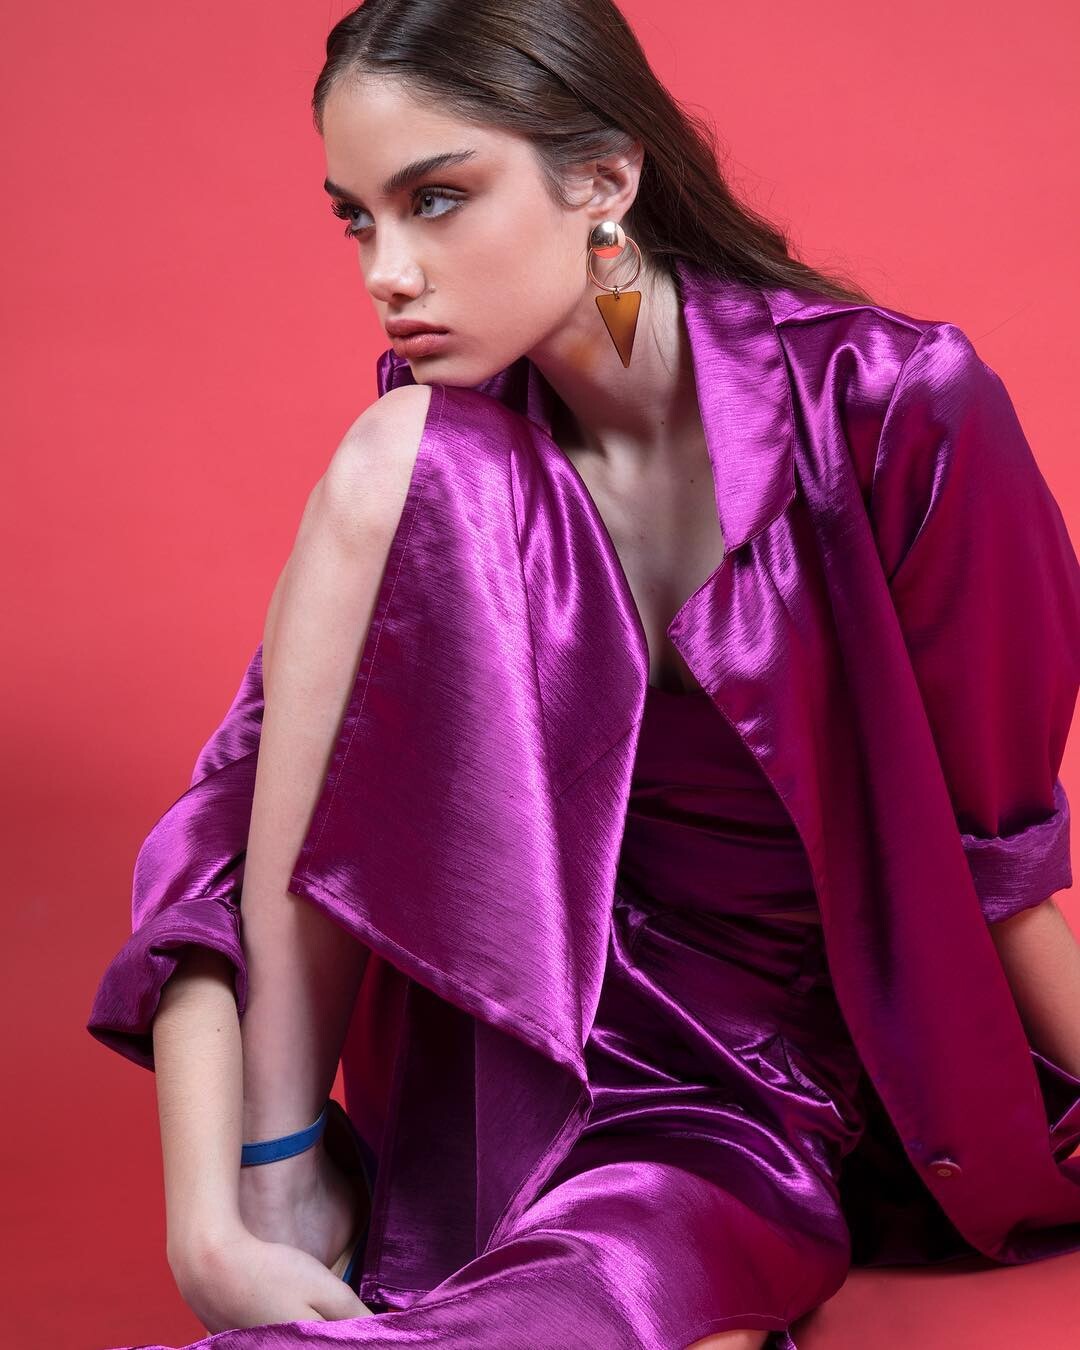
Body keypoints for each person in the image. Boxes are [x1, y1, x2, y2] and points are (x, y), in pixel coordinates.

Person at [87, 2, 1080, 1347]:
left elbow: (994, 860)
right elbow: (247, 810)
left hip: (733, 1092)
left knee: (616, 1296)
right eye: (358, 220)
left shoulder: (894, 405)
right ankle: (313, 1200)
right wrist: (227, 1204)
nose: (389, 271)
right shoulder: (434, 461)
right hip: (479, 1063)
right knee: (396, 455)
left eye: (438, 200)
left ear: (605, 180)